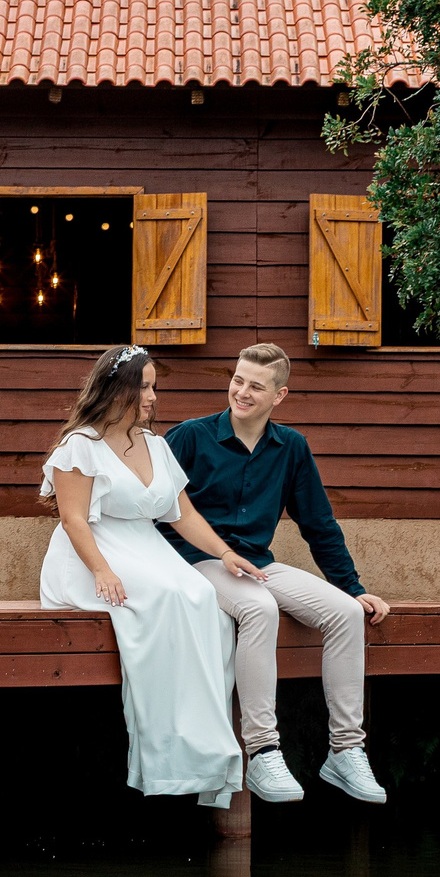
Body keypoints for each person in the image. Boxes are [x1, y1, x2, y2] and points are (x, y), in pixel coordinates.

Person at [159, 343, 391, 805]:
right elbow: (157, 510)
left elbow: (318, 524)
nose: (241, 392)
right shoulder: (188, 437)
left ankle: (346, 751)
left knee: (346, 613)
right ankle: (263, 751)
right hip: (196, 560)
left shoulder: (292, 448)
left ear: (279, 395)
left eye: (256, 386)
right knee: (259, 609)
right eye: (238, 380)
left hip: (257, 562)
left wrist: (353, 588)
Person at [39, 345, 270, 806]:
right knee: (166, 596)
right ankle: (165, 752)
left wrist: (225, 554)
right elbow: (73, 519)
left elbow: (183, 514)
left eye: (153, 387)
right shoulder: (79, 445)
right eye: (143, 387)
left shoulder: (157, 446)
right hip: (94, 555)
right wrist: (102, 570)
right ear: (116, 390)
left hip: (148, 550)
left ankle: (206, 746)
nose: (152, 396)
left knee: (202, 598)